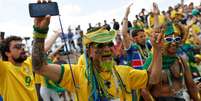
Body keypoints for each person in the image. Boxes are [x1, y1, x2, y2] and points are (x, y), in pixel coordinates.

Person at [31, 1, 162, 101]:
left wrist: (157, 50)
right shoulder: (77, 75)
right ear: (89, 52)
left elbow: (154, 78)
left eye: (109, 44)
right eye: (99, 45)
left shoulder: (124, 72)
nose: (106, 49)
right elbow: (39, 67)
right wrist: (40, 33)